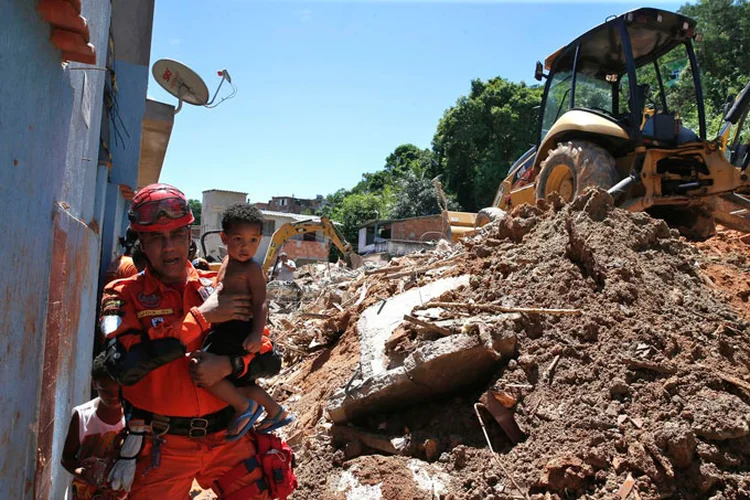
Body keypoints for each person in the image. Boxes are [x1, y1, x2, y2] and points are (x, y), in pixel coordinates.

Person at [100, 183, 271, 499]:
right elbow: (123, 366)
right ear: (141, 241)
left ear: (190, 236)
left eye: (177, 235)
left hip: (228, 441)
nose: (169, 248)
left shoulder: (217, 286)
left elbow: (269, 357)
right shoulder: (121, 295)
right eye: (156, 238)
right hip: (163, 449)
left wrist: (231, 363)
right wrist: (202, 318)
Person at [204, 203, 294, 439]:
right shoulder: (227, 263)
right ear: (224, 238)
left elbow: (260, 303)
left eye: (253, 240)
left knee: (202, 370)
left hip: (237, 330)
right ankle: (276, 412)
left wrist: (256, 333)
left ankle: (244, 407)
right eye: (238, 239)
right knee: (240, 382)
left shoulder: (252, 269)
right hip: (225, 327)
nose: (246, 247)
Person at [61, 352, 126, 500]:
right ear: (94, 383)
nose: (113, 397)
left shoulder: (132, 418)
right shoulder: (82, 416)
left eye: (119, 392)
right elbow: (66, 458)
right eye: (106, 391)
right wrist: (82, 473)